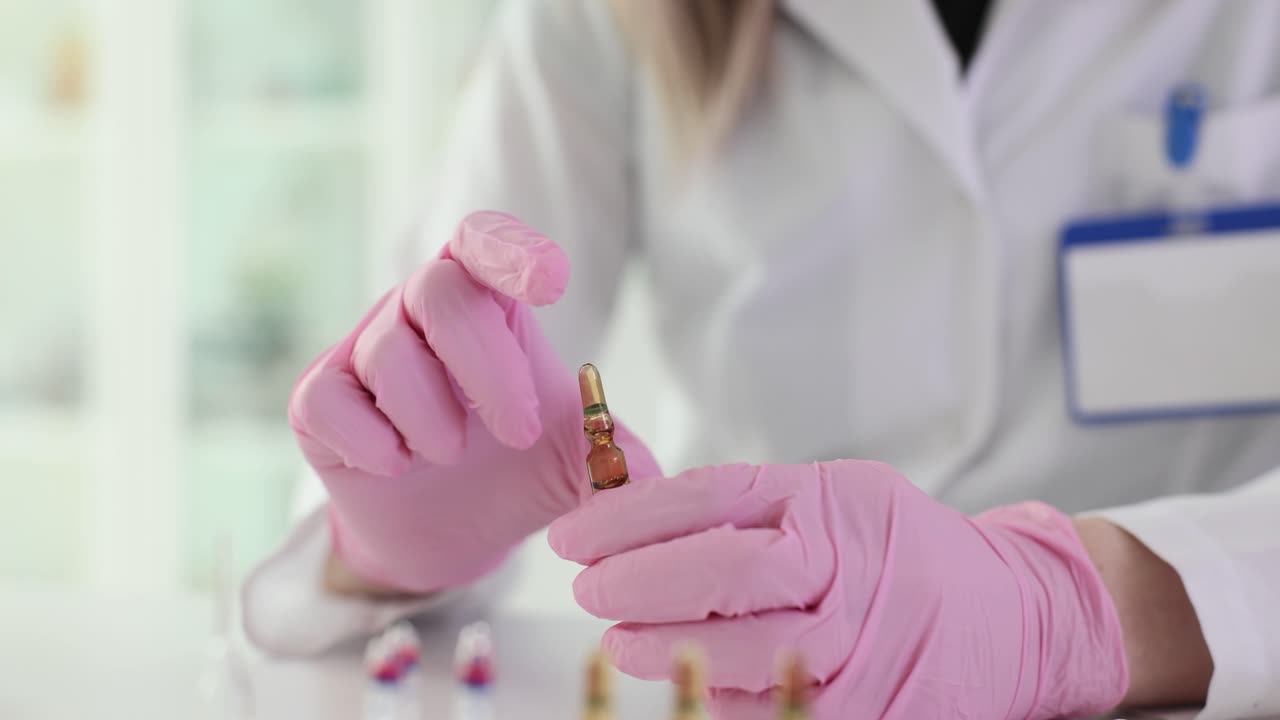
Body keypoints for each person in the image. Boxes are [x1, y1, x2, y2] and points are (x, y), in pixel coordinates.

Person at [242, 1, 1280, 718]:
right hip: (746, 677)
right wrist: (378, 549)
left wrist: (1080, 608)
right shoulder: (595, 20)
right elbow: (453, 331)